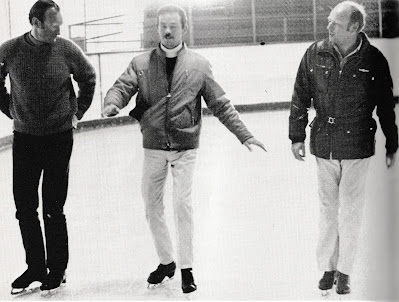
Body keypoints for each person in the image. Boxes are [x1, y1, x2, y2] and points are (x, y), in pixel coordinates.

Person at [103, 4, 266, 294]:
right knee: (152, 208)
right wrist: (111, 102)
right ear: (157, 29)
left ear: (183, 28)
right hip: (153, 146)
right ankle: (167, 262)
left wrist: (244, 135)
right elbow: (121, 87)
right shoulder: (141, 62)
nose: (167, 31)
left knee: (182, 205)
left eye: (173, 26)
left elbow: (220, 104)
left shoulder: (199, 65)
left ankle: (187, 269)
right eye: (162, 26)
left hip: (184, 147)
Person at [289, 0, 398, 295]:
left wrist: (392, 141)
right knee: (328, 210)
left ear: (354, 27)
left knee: (350, 212)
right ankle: (327, 267)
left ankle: (345, 271)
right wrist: (296, 136)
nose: (328, 27)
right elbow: (300, 95)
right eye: (329, 22)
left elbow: (386, 105)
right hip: (324, 144)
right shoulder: (315, 53)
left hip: (357, 146)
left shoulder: (374, 59)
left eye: (335, 24)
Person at [0, 0, 96, 294]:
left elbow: (88, 78)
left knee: (54, 207)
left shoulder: (66, 49)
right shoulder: (10, 50)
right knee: (25, 207)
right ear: (36, 22)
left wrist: (77, 112)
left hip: (58, 137)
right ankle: (35, 267)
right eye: (54, 22)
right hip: (26, 138)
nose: (59, 27)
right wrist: (11, 110)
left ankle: (58, 268)